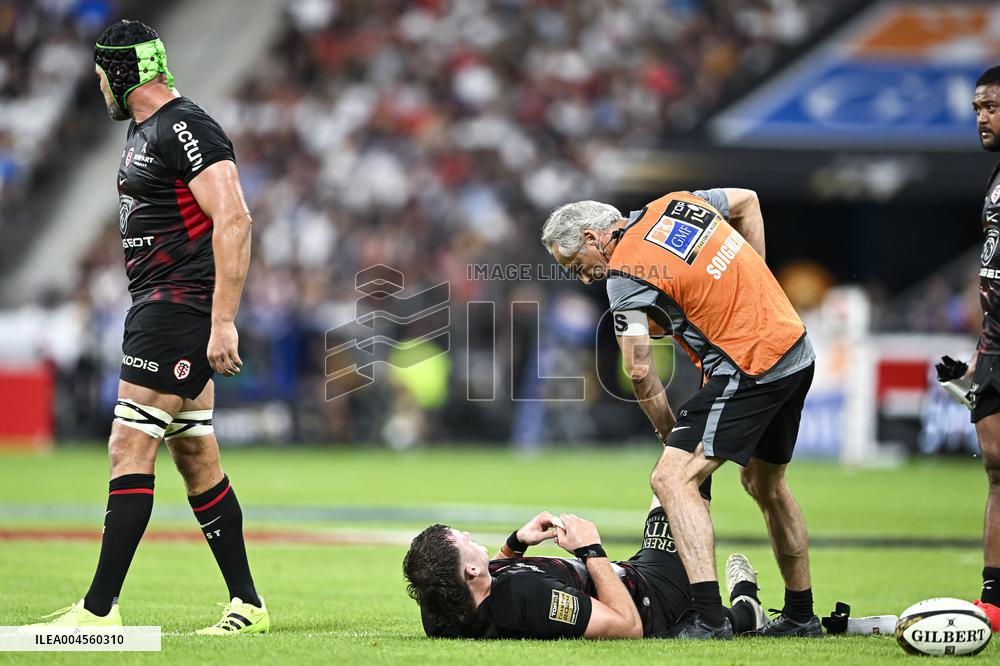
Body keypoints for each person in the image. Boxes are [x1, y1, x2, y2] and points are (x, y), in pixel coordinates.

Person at [26, 20, 267, 634]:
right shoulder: (145, 133)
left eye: (104, 74)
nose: (100, 86)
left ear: (122, 72)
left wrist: (222, 323)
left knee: (128, 446)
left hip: (177, 306)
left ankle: (96, 611)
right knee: (194, 453)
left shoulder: (184, 125)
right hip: (159, 304)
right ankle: (248, 604)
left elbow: (234, 218)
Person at [540, 188, 818, 638]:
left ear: (593, 238)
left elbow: (638, 368)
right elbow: (748, 202)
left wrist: (670, 435)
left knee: (670, 478)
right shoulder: (678, 202)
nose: (584, 279)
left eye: (575, 265)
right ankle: (801, 616)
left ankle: (708, 618)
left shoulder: (624, 273)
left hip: (750, 366)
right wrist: (756, 285)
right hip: (794, 349)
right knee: (766, 483)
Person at [403, 504, 769, 640]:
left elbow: (488, 581)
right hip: (651, 594)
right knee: (677, 479)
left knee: (675, 472)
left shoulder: (438, 606)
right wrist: (590, 548)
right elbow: (628, 627)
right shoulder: (530, 600)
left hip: (626, 577)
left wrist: (517, 542)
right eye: (461, 539)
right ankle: (744, 610)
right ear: (468, 568)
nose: (467, 535)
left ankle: (743, 612)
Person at [950, 64, 1000, 631]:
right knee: (996, 471)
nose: (982, 117)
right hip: (994, 348)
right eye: (977, 109)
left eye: (991, 106)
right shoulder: (994, 179)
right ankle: (994, 596)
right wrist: (980, 350)